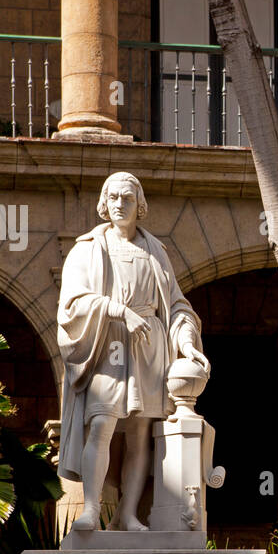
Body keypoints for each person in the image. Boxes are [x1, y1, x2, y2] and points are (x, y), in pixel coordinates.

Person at [58, 171, 210, 531]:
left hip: (149, 345)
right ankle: (92, 510)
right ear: (104, 204)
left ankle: (127, 514)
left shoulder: (155, 251)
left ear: (139, 205)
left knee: (140, 434)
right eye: (114, 198)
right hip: (107, 342)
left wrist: (186, 343)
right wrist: (118, 311)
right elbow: (72, 302)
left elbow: (176, 306)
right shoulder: (89, 247)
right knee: (101, 423)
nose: (120, 204)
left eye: (127, 198)